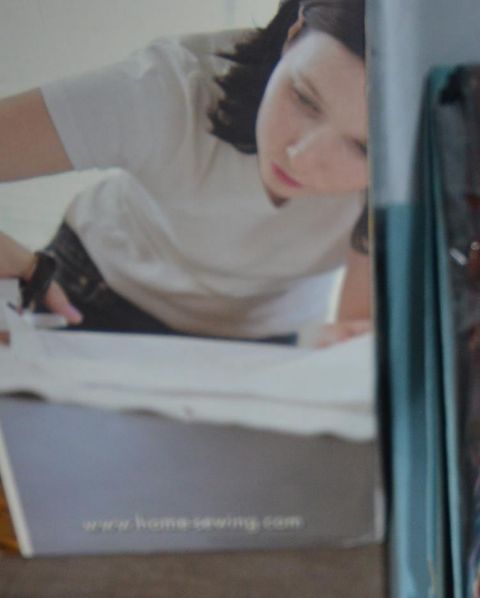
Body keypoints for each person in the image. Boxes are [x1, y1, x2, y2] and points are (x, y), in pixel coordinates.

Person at [0, 0, 369, 344]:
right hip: (92, 292)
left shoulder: (411, 163)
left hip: (269, 340)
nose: (301, 157)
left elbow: (357, 326)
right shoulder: (172, 87)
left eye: (362, 147)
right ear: (294, 33)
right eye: (304, 97)